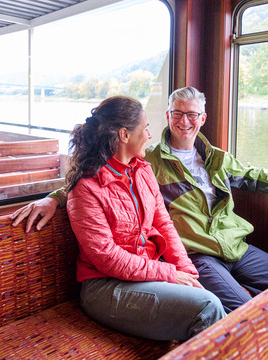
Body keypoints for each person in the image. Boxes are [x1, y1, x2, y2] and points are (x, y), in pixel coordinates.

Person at [11, 87, 268, 313]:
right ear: (168, 116)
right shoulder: (150, 161)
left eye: (191, 115)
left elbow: (253, 175)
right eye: (177, 114)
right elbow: (93, 180)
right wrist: (54, 198)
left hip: (233, 245)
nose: (183, 121)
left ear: (202, 118)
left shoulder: (214, 158)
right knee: (239, 310)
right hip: (199, 250)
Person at [57, 95, 225, 341]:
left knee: (216, 301)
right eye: (145, 128)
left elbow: (163, 224)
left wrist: (187, 273)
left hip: (145, 275)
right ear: (124, 135)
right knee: (207, 307)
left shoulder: (142, 171)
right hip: (105, 287)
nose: (149, 134)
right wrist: (169, 274)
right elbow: (107, 258)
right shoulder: (87, 187)